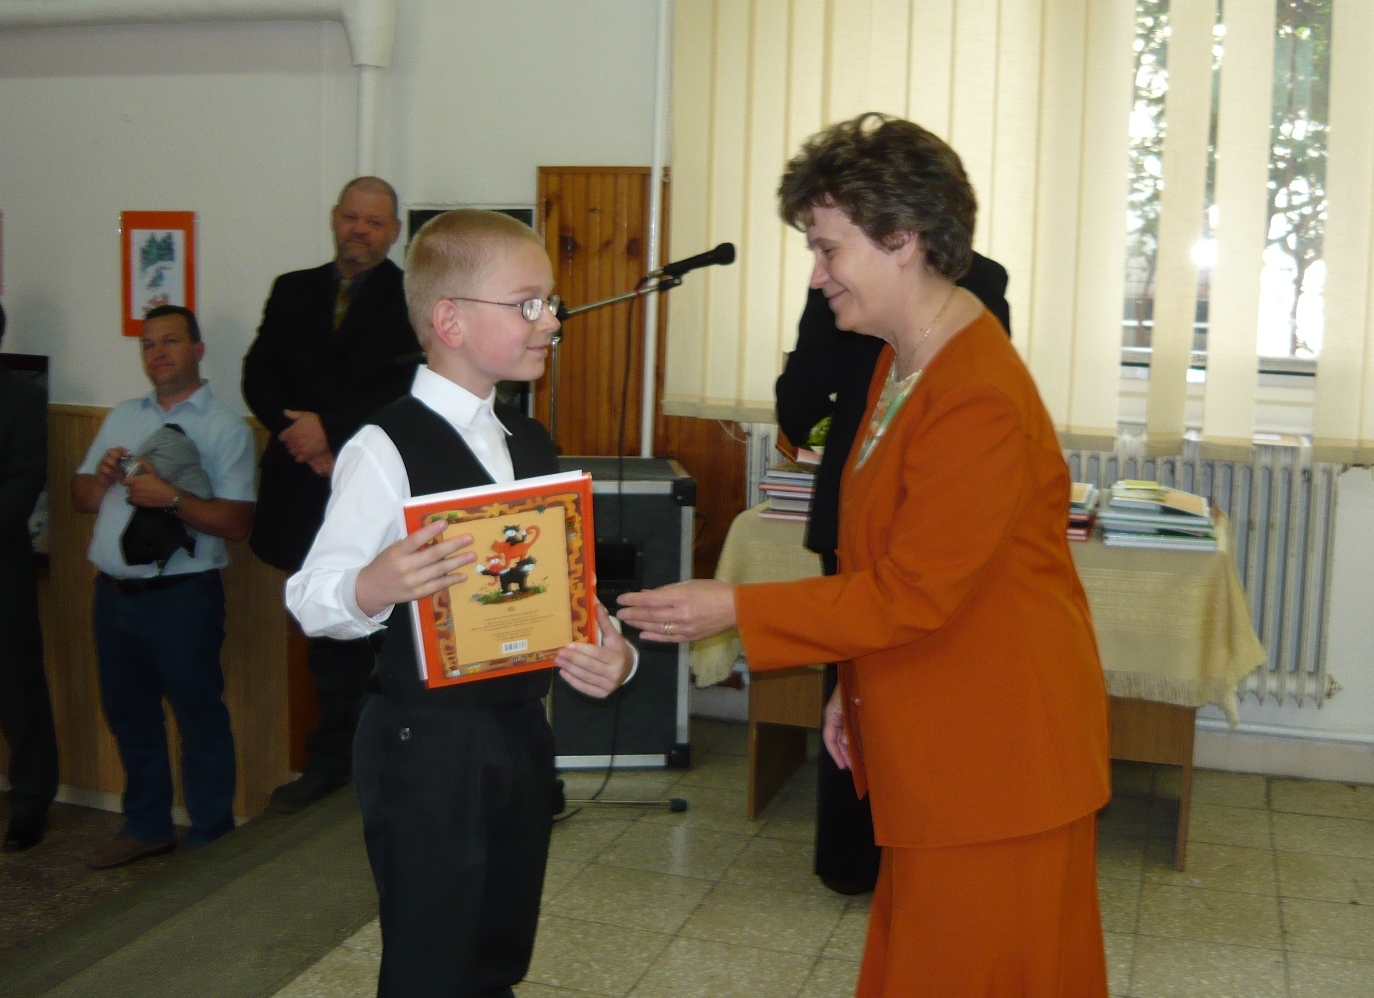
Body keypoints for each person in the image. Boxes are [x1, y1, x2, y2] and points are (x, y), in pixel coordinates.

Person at [619, 113, 1111, 996]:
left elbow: (914, 592)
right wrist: (851, 688)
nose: (817, 276)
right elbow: (871, 552)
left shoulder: (976, 394)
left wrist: (734, 606)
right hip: (940, 731)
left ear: (902, 240)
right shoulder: (898, 360)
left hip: (997, 756)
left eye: (827, 249)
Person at [285, 209, 636, 996]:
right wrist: (376, 585)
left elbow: (563, 593)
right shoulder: (385, 449)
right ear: (450, 321)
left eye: (549, 304)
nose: (552, 322)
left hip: (518, 732)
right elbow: (311, 597)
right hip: (427, 745)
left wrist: (615, 653)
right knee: (432, 964)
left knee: (497, 953)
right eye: (528, 304)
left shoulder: (529, 444)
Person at [778, 259, 1011, 896]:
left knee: (854, 677)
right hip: (939, 507)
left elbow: (799, 402)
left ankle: (850, 861)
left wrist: (836, 430)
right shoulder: (985, 282)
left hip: (858, 502)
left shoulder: (841, 281)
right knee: (928, 681)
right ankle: (926, 851)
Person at [243, 176, 421, 812]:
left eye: (373, 222)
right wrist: (302, 436)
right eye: (351, 218)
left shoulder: (412, 297)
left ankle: (381, 760)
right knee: (323, 634)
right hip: (301, 485)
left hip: (372, 484)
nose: (359, 231)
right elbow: (258, 373)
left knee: (378, 634)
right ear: (334, 218)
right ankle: (329, 762)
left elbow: (404, 387)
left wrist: (332, 432)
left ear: (393, 231)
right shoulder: (293, 289)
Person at [72, 305, 256, 870]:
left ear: (198, 350)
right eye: (149, 345)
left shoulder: (225, 426)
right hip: (113, 595)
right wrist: (102, 478)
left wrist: (172, 499)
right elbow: (82, 498)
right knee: (129, 715)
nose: (158, 354)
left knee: (199, 718)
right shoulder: (123, 416)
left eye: (170, 342)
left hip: (183, 597)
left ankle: (210, 839)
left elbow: (236, 524)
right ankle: (146, 827)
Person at [0, 302, 59, 852]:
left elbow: (23, 485)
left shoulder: (22, 399)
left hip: (2, 565)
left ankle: (30, 801)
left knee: (17, 687)